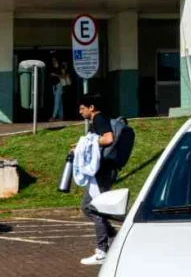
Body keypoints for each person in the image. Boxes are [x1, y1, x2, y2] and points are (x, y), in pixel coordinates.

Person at [76, 94, 117, 266]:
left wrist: (89, 143)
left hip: (102, 174)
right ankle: (112, 237)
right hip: (100, 174)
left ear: (91, 107)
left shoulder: (99, 119)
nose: (80, 112)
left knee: (94, 208)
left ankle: (102, 251)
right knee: (88, 207)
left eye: (82, 108)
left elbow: (108, 138)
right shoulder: (96, 121)